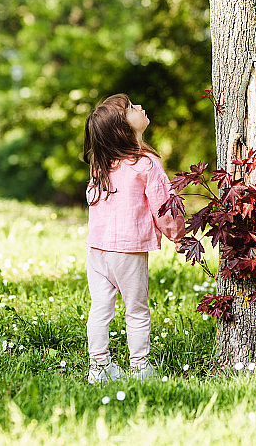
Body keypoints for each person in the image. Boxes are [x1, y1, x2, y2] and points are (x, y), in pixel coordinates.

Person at [82, 93, 185, 383]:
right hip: (127, 249)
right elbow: (163, 206)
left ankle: (99, 368)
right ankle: (140, 367)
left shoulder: (102, 164)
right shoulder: (146, 163)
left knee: (100, 308)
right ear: (123, 128)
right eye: (131, 108)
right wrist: (178, 236)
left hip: (97, 250)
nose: (140, 107)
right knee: (137, 310)